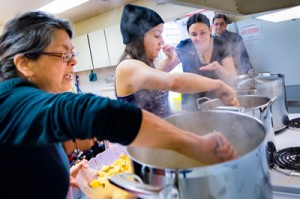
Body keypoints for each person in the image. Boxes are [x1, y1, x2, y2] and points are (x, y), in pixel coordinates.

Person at [0, 11, 237, 199]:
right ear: (25, 63)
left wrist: (61, 173)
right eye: (63, 55)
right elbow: (98, 112)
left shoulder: (18, 107)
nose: (73, 62)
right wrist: (195, 145)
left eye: (73, 53)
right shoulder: (11, 102)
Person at [115, 4, 239, 118]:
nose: (162, 41)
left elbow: (155, 92)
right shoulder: (127, 67)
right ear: (139, 36)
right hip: (144, 142)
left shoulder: (142, 65)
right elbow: (174, 81)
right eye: (157, 35)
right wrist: (218, 84)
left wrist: (179, 116)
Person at [158, 13, 238, 111]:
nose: (199, 39)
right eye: (194, 34)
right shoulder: (184, 47)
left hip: (218, 101)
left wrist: (218, 67)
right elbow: (157, 73)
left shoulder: (222, 45)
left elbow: (232, 76)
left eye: (203, 32)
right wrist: (168, 58)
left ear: (210, 29)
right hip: (191, 105)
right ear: (189, 34)